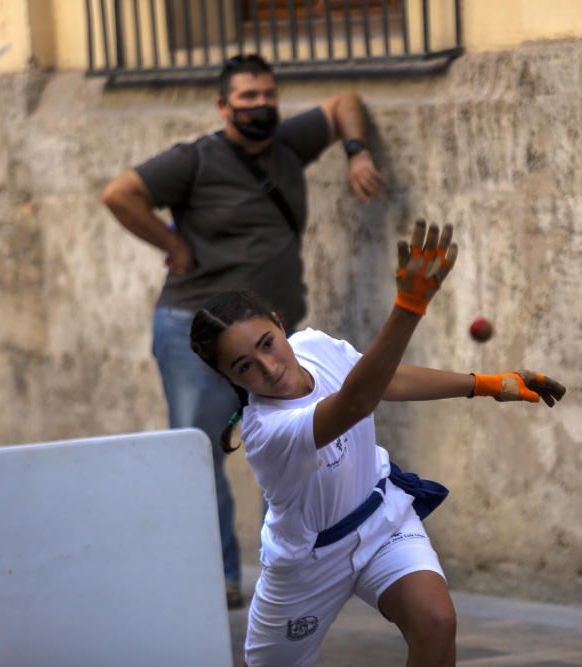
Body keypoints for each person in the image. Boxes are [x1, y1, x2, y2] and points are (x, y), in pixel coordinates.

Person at [189, 220, 566, 666]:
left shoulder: (313, 346)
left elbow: (382, 379)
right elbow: (355, 403)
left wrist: (485, 383)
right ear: (229, 378)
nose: (268, 367)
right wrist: (409, 307)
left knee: (436, 623)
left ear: (279, 323)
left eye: (268, 344)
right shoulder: (265, 431)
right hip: (307, 563)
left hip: (381, 519)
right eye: (244, 366)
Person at [101, 54, 385, 608]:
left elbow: (345, 103)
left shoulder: (287, 145)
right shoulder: (195, 160)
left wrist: (356, 152)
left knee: (298, 452)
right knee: (200, 453)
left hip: (274, 340)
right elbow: (119, 193)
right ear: (223, 105)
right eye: (246, 97)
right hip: (198, 337)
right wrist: (174, 246)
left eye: (267, 95)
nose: (259, 105)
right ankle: (221, 579)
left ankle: (299, 566)